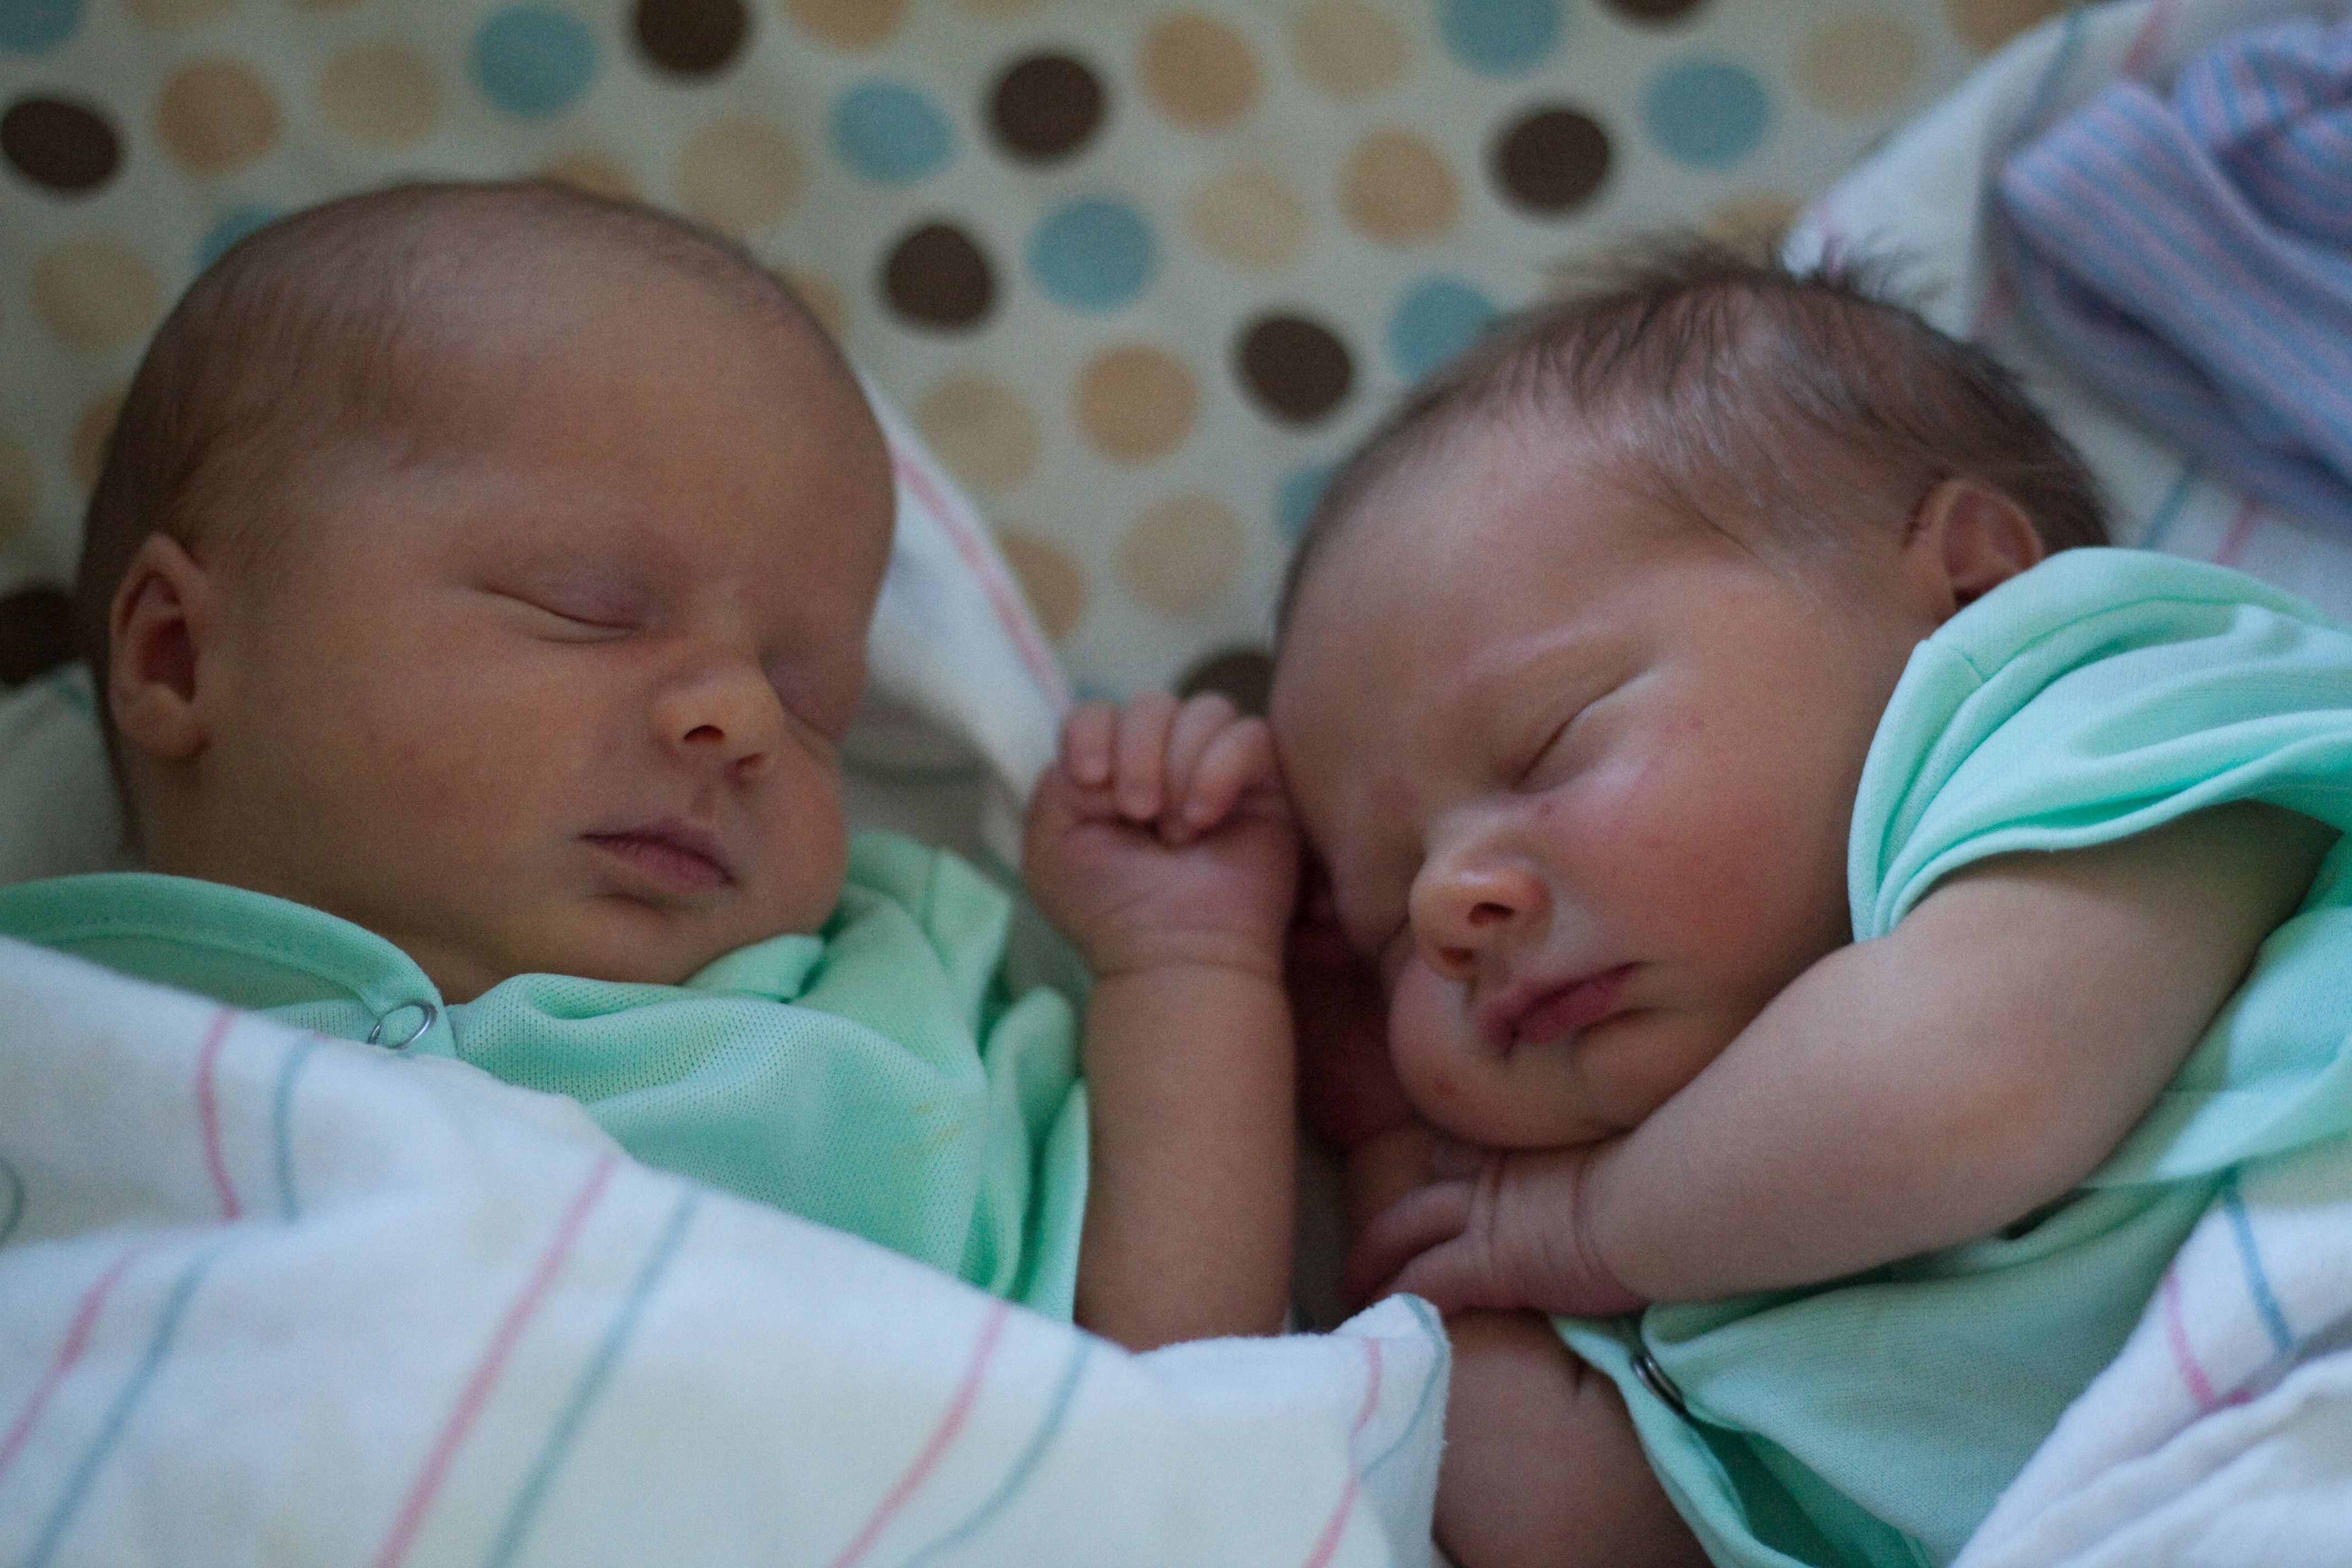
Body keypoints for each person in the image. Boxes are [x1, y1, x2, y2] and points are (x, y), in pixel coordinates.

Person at [1042, 241, 2352, 1567]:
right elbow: (1562, 1523)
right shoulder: (1706, 1283)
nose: (1449, 904)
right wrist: (1395, 1153)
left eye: (1548, 742)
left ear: (1974, 579)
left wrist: (1569, 1225)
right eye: (1389, 930)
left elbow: (1958, 1085)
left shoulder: (2106, 708)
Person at [0, 179, 1284, 1351]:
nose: (743, 717)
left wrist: (1187, 956)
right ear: (179, 656)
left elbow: (1173, 1362)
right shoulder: (52, 1032)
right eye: (588, 607)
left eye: (811, 697)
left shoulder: (868, 1017)